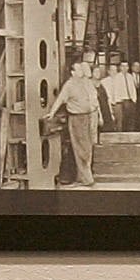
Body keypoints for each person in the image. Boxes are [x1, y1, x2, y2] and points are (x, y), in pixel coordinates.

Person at [50, 56, 104, 187]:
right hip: (77, 119)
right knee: (82, 149)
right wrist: (51, 113)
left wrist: (97, 115)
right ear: (73, 72)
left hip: (88, 117)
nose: (82, 71)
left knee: (88, 148)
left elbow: (93, 101)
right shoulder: (69, 85)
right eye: (79, 69)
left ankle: (83, 176)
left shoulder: (84, 82)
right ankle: (87, 179)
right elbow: (60, 100)